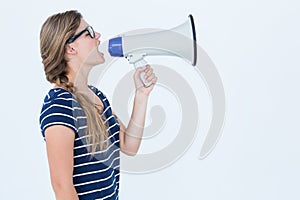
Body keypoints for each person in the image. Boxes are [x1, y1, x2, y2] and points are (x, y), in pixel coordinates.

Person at [39, 10, 157, 200]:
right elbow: (62, 187)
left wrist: (141, 95)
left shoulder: (97, 96)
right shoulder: (59, 106)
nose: (98, 36)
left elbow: (129, 145)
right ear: (70, 48)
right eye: (89, 33)